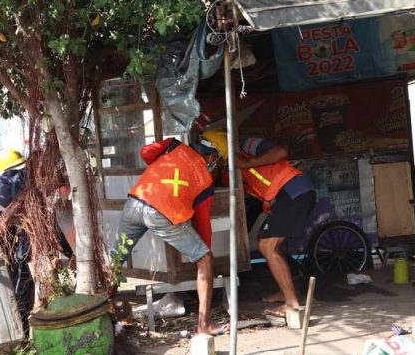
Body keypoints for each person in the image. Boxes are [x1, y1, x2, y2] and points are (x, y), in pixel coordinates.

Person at [112, 137, 228, 336]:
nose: (214, 164)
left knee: (115, 261)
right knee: (206, 260)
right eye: (216, 160)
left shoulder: (174, 145)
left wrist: (161, 167)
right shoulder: (206, 181)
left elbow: (145, 152)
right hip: (159, 213)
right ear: (212, 155)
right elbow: (202, 222)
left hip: (135, 201)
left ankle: (100, 314)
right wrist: (203, 253)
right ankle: (204, 325)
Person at [200, 129, 316, 318]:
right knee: (269, 242)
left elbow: (281, 152)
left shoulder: (247, 144)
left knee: (267, 245)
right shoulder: (230, 166)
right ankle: (284, 290)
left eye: (213, 154)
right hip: (286, 197)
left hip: (294, 191)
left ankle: (291, 302)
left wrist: (248, 162)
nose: (212, 160)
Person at [0, 148, 73, 325]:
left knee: (24, 285)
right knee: (18, 289)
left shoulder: (12, 179)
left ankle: (24, 332)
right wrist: (69, 254)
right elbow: (48, 225)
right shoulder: (18, 180)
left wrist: (54, 254)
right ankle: (21, 333)